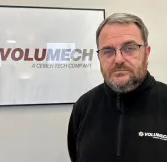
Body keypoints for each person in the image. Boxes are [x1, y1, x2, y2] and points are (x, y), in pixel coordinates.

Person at [67, 13, 167, 162]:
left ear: (146, 53)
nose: (118, 59)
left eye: (129, 48)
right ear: (99, 57)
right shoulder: (84, 107)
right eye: (108, 51)